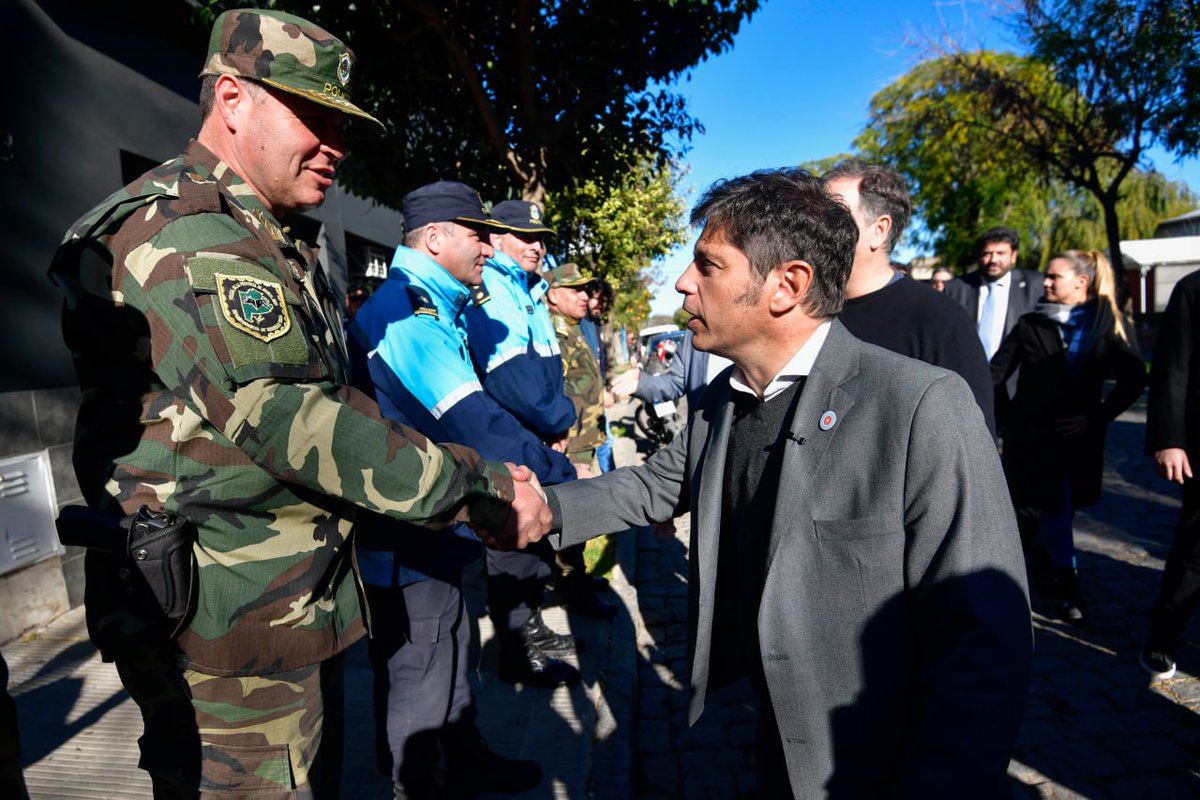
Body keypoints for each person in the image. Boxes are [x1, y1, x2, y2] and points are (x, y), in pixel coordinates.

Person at [46, 10, 548, 796]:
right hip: (220, 632)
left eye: (341, 123)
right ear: (233, 99)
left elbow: (328, 395)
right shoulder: (188, 234)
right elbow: (296, 421)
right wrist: (480, 485)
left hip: (277, 608)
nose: (336, 145)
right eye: (312, 116)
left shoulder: (266, 234)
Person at [535, 168, 1032, 798]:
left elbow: (987, 643)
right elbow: (658, 484)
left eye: (706, 266)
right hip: (778, 731)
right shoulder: (723, 396)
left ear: (786, 285)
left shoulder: (921, 404)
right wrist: (541, 509)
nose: (683, 284)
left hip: (880, 752)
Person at [346, 181, 553, 796]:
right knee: (421, 672)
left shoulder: (435, 304)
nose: (490, 246)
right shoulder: (409, 313)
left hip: (435, 523)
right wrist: (565, 479)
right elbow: (474, 423)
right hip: (405, 537)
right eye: (477, 233)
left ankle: (466, 760)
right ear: (434, 239)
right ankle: (418, 782)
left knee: (453, 652)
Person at [991, 250, 1144, 623]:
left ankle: (1054, 572)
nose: (1045, 282)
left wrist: (1096, 417)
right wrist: (1009, 419)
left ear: (1081, 282)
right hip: (1030, 442)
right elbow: (994, 374)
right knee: (1031, 510)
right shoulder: (1031, 324)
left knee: (1061, 509)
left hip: (1077, 444)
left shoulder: (1106, 326)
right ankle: (1057, 581)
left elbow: (1134, 379)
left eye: (1053, 277)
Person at [822, 160, 996, 435]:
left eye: (831, 216)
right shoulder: (805, 311)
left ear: (879, 230)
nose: (813, 227)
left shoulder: (940, 320)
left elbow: (970, 443)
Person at [1141, 269, 1200, 679]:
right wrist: (1169, 439)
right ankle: (1162, 637)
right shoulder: (1193, 289)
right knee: (1195, 551)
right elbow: (1172, 369)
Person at [944, 225, 1045, 361]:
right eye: (987, 253)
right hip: (966, 373)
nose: (993, 260)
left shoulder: (1035, 285)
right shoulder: (957, 287)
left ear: (1014, 256)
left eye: (1000, 253)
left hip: (1012, 377)